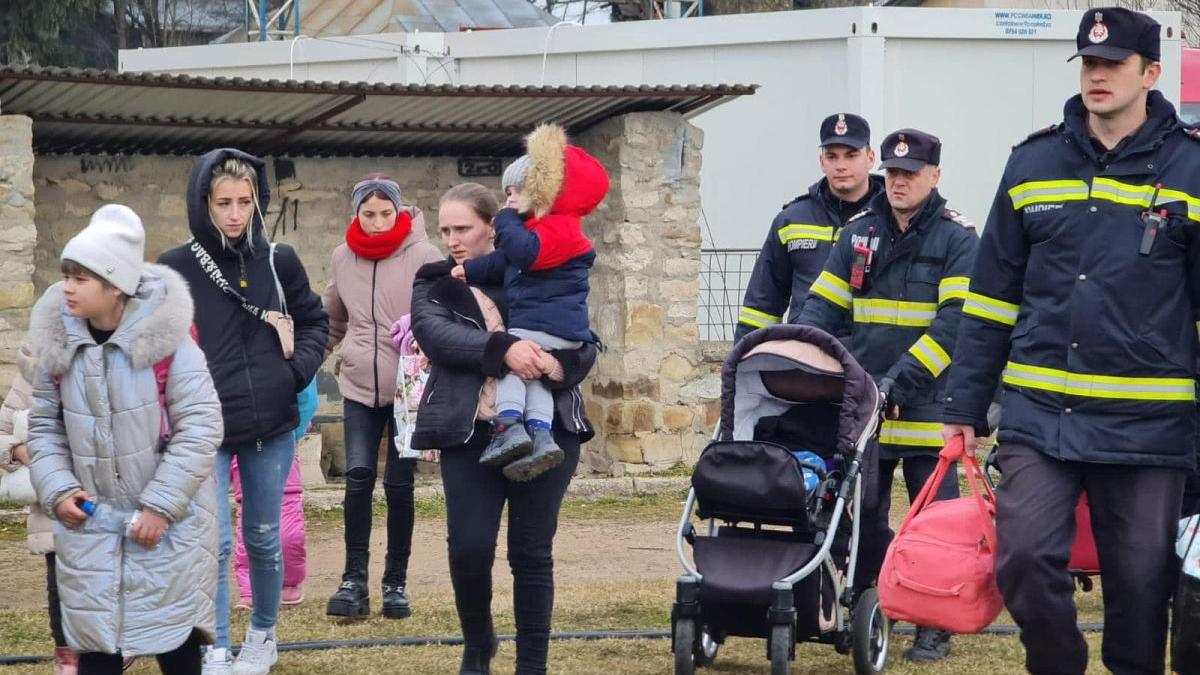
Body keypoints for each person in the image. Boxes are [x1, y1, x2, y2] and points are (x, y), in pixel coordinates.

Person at [942, 8, 1200, 674]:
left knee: (1143, 589)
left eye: (1113, 65)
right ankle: (1057, 662)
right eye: (1089, 63)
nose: (1097, 76)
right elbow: (990, 298)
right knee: (1023, 557)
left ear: (1150, 73)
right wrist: (965, 406)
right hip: (1040, 418)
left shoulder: (1191, 170)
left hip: (1150, 428)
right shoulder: (1033, 161)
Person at [794, 128, 979, 661]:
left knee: (936, 524)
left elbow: (955, 326)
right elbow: (821, 309)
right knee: (863, 517)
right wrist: (802, 355)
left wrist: (901, 380)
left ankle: (933, 623)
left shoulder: (958, 239)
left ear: (935, 176)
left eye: (911, 173)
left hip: (929, 409)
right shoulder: (858, 234)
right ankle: (875, 606)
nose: (899, 182)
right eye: (894, 173)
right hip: (867, 410)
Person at [26, 204, 224, 675]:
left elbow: (201, 427)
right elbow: (43, 428)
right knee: (98, 648)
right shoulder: (57, 344)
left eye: (81, 278)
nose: (67, 287)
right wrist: (57, 489)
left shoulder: (171, 345)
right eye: (66, 275)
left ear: (115, 286)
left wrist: (159, 506)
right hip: (90, 530)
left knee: (176, 646)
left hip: (167, 533)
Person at [410, 183, 597, 675]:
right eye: (446, 229)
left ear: (492, 227)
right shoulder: (434, 279)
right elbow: (437, 335)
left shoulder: (540, 263)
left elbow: (583, 338)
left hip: (547, 431)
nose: (453, 239)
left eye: (463, 229)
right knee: (470, 549)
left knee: (531, 553)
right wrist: (504, 349)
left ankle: (531, 664)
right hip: (471, 434)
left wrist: (555, 367)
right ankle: (478, 642)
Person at [158, 149, 329, 675]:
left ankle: (263, 636)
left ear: (258, 202)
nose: (234, 213)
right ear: (202, 204)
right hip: (203, 429)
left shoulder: (280, 260)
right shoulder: (175, 267)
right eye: (222, 202)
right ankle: (214, 646)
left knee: (262, 535)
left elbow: (316, 322)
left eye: (244, 202)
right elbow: (158, 345)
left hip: (269, 426)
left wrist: (293, 372)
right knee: (211, 542)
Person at [321, 174, 442, 620]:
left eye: (385, 214)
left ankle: (396, 583)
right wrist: (305, 360)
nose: (376, 223)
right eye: (368, 214)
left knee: (400, 485)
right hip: (357, 385)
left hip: (407, 385)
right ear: (356, 215)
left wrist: (424, 326)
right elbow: (331, 319)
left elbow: (445, 312)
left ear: (399, 212)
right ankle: (353, 580)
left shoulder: (425, 255)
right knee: (356, 478)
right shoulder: (341, 257)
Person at [456, 124, 607, 481]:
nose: (509, 200)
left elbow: (523, 255)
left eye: (518, 192)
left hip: (545, 325)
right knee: (535, 378)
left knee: (511, 363)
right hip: (555, 329)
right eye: (506, 193)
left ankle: (508, 424)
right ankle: (540, 434)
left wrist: (505, 220)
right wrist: (470, 270)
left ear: (542, 192)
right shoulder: (538, 229)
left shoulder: (559, 228)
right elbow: (504, 262)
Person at [735, 113, 883, 341]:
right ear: (822, 162)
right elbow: (762, 305)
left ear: (870, 158)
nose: (841, 166)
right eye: (832, 157)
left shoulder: (893, 219)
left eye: (851, 156)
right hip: (807, 353)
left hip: (871, 357)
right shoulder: (791, 220)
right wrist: (745, 362)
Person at [0, 342, 76, 674]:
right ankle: (67, 658)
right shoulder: (33, 369)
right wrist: (19, 451)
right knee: (59, 584)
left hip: (105, 499)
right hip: (53, 507)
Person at [231, 378, 317, 610]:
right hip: (242, 438)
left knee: (288, 519)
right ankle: (250, 587)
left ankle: (288, 582)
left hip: (281, 437)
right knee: (250, 517)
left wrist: (292, 433)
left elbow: (307, 395)